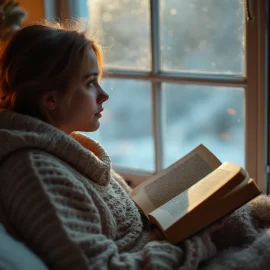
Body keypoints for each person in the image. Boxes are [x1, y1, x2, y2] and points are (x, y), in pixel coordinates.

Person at [1, 22, 270, 270]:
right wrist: (198, 241)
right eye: (90, 83)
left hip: (165, 242)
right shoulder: (37, 172)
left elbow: (127, 216)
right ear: (51, 100)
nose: (104, 95)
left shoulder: (65, 146)